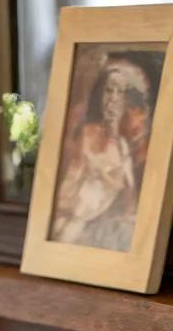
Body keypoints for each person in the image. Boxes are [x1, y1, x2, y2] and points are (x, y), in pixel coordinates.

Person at [51, 57, 154, 251]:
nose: (113, 98)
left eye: (120, 92)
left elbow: (130, 204)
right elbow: (66, 194)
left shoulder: (123, 147)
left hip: (108, 232)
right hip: (77, 228)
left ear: (126, 101)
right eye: (109, 90)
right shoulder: (86, 137)